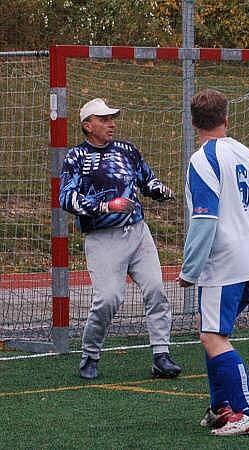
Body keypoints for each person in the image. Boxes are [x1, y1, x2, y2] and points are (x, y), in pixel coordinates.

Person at [59, 98, 181, 380]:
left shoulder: (127, 150)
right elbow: (66, 198)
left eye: (112, 118)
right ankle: (90, 355)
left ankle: (161, 355)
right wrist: (105, 206)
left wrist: (160, 189)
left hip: (138, 233)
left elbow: (146, 179)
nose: (111, 123)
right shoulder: (75, 157)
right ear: (88, 126)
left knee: (156, 291)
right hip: (103, 239)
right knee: (108, 300)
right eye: (104, 119)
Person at [177, 90, 249, 436]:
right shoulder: (243, 152)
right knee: (212, 333)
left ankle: (247, 413)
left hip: (223, 262)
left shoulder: (202, 159)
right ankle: (220, 408)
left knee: (213, 337)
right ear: (226, 119)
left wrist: (189, 269)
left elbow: (205, 220)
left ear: (193, 122)